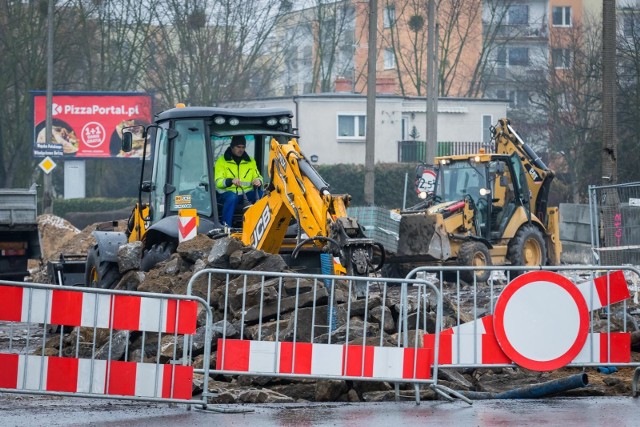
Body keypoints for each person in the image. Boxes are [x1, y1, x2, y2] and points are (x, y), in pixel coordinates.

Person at [214, 135, 263, 226]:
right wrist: (230, 181)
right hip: (226, 194)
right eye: (238, 147)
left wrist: (258, 180)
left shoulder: (251, 161)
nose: (241, 150)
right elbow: (218, 182)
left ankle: (258, 225)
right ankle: (226, 226)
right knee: (232, 197)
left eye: (243, 147)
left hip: (246, 194)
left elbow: (258, 176)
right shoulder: (221, 161)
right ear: (232, 147)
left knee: (262, 195)